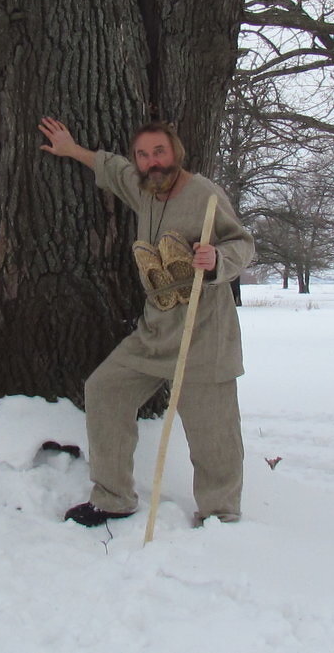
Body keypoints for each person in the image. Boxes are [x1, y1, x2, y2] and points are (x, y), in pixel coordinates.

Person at [38, 116, 254, 527]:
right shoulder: (144, 191)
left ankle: (220, 514)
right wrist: (72, 149)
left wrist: (217, 261)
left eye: (160, 151)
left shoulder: (204, 194)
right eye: (144, 154)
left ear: (175, 152)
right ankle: (113, 497)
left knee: (214, 436)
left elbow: (242, 243)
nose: (152, 161)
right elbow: (114, 170)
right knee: (104, 390)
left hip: (203, 334)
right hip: (155, 332)